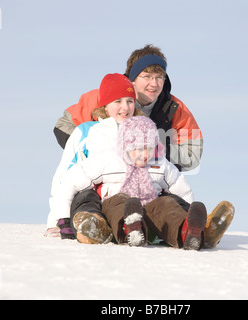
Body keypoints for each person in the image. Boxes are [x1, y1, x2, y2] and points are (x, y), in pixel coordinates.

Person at [50, 117, 234, 250]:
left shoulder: (160, 164)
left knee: (166, 203)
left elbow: (181, 190)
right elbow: (69, 185)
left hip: (152, 213)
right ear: (125, 146)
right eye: (138, 149)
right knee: (118, 202)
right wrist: (64, 220)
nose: (144, 155)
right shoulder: (107, 161)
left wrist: (188, 213)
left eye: (148, 149)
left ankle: (187, 232)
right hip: (116, 208)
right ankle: (129, 229)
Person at [53, 44, 203, 172]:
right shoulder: (102, 98)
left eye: (159, 77)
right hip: (101, 176)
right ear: (132, 79)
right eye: (147, 77)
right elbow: (63, 126)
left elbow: (192, 155)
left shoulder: (174, 109)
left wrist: (153, 148)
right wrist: (95, 148)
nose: (154, 84)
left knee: (171, 200)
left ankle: (186, 207)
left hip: (152, 179)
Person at [45, 73, 143, 238]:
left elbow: (159, 169)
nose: (125, 108)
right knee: (85, 198)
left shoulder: (143, 131)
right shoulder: (85, 132)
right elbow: (64, 175)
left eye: (130, 101)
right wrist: (56, 219)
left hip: (128, 199)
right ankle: (92, 226)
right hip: (91, 197)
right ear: (105, 106)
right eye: (118, 101)